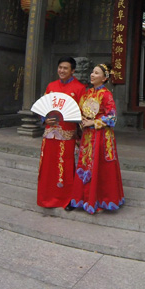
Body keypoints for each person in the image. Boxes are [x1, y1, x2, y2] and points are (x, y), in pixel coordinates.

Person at [67, 64, 125, 213]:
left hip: (102, 136)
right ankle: (81, 199)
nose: (92, 75)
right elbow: (79, 110)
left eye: (96, 73)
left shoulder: (106, 95)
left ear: (104, 78)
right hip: (87, 135)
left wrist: (93, 122)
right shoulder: (87, 93)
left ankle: (100, 199)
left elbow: (112, 117)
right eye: (92, 72)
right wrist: (81, 119)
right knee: (84, 164)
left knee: (99, 166)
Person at [37, 57, 86, 208]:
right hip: (49, 134)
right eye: (60, 67)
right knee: (47, 166)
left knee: (65, 167)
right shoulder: (51, 86)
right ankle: (46, 196)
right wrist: (44, 119)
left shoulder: (80, 88)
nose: (62, 71)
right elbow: (43, 108)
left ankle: (67, 198)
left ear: (73, 71)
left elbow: (84, 114)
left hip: (68, 135)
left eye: (65, 68)